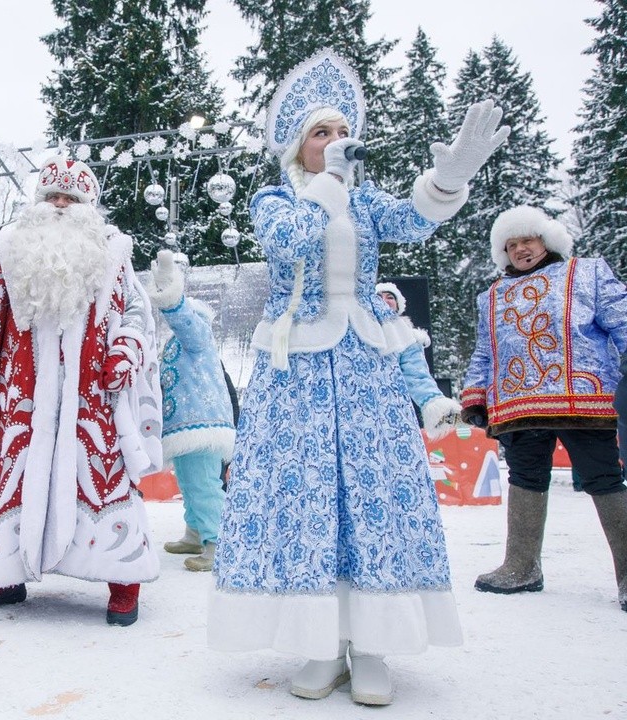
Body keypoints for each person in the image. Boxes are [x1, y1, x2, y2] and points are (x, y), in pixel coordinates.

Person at [207, 49, 509, 707]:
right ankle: (320, 645)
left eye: (344, 132)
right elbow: (287, 241)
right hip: (299, 375)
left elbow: (418, 219)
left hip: (367, 367)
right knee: (310, 499)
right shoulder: (274, 199)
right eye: (322, 133)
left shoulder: (368, 203)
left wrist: (448, 178)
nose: (337, 142)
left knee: (369, 496)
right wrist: (328, 186)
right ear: (299, 146)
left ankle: (370, 646)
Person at [0, 155, 163, 626]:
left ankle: (123, 579)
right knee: (12, 478)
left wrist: (124, 350)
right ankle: (6, 575)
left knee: (101, 475)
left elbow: (136, 311)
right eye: (51, 196)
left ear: (88, 206)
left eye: (71, 199)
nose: (59, 206)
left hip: (92, 395)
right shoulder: (9, 250)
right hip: (20, 396)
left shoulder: (112, 253)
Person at [460, 205, 627, 612]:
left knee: (603, 477)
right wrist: (475, 394)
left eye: (527, 240)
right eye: (511, 245)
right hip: (518, 402)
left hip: (583, 398)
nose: (521, 250)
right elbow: (486, 351)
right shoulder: (493, 295)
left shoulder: (585, 273)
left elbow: (622, 320)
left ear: (546, 239)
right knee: (525, 476)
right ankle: (521, 566)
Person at [146, 250, 235, 571]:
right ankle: (196, 533)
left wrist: (172, 298)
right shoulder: (178, 346)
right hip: (184, 426)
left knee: (203, 485)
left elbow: (185, 321)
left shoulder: (198, 337)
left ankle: (219, 542)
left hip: (201, 425)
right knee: (188, 483)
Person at [375, 282, 461, 438]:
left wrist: (434, 402)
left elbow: (416, 374)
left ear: (397, 305)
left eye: (390, 297)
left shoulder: (407, 337)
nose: (384, 300)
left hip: (392, 406)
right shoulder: (356, 333)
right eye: (378, 296)